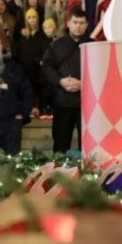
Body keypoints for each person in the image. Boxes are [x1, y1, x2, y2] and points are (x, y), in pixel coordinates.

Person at [41, 8, 89, 152]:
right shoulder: (57, 44)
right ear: (68, 23)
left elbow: (101, 71)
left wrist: (84, 84)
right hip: (62, 103)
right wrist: (60, 81)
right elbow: (46, 66)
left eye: (82, 23)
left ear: (87, 25)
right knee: (60, 147)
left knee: (88, 148)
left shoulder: (93, 45)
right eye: (75, 22)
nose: (78, 26)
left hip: (86, 105)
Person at [15, 8, 50, 118]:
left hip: (39, 70)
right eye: (29, 17)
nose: (32, 20)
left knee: (40, 90)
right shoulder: (23, 37)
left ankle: (40, 108)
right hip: (26, 69)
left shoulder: (43, 35)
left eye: (34, 17)